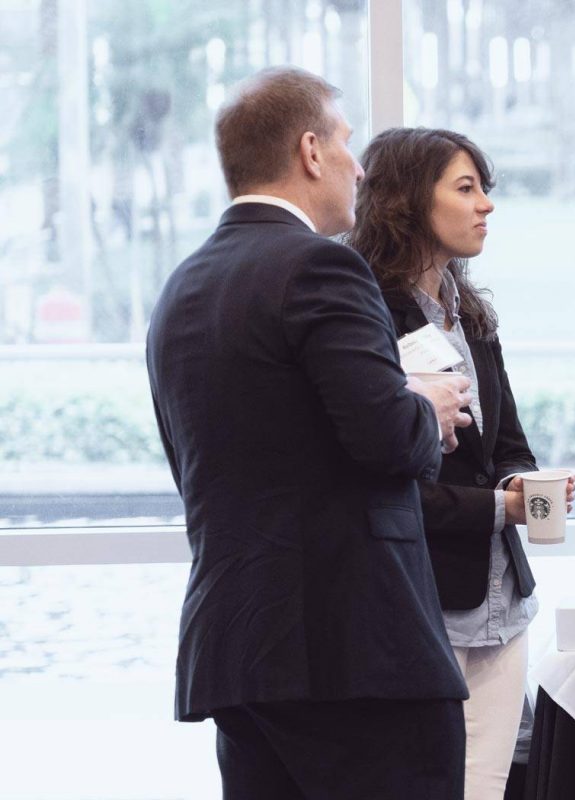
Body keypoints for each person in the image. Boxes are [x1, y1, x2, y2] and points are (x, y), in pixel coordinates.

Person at [145, 67, 475, 798]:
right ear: (310, 152)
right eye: (348, 143)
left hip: (238, 655)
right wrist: (426, 406)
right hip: (354, 656)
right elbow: (388, 439)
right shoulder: (321, 266)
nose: (360, 166)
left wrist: (396, 396)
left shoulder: (184, 284)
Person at [348, 126, 575, 800]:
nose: (487, 207)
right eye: (466, 188)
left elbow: (507, 444)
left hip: (501, 600)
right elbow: (383, 479)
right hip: (417, 598)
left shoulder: (469, 315)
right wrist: (496, 507)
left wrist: (524, 488)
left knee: (483, 785)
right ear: (410, 199)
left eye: (486, 190)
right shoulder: (364, 314)